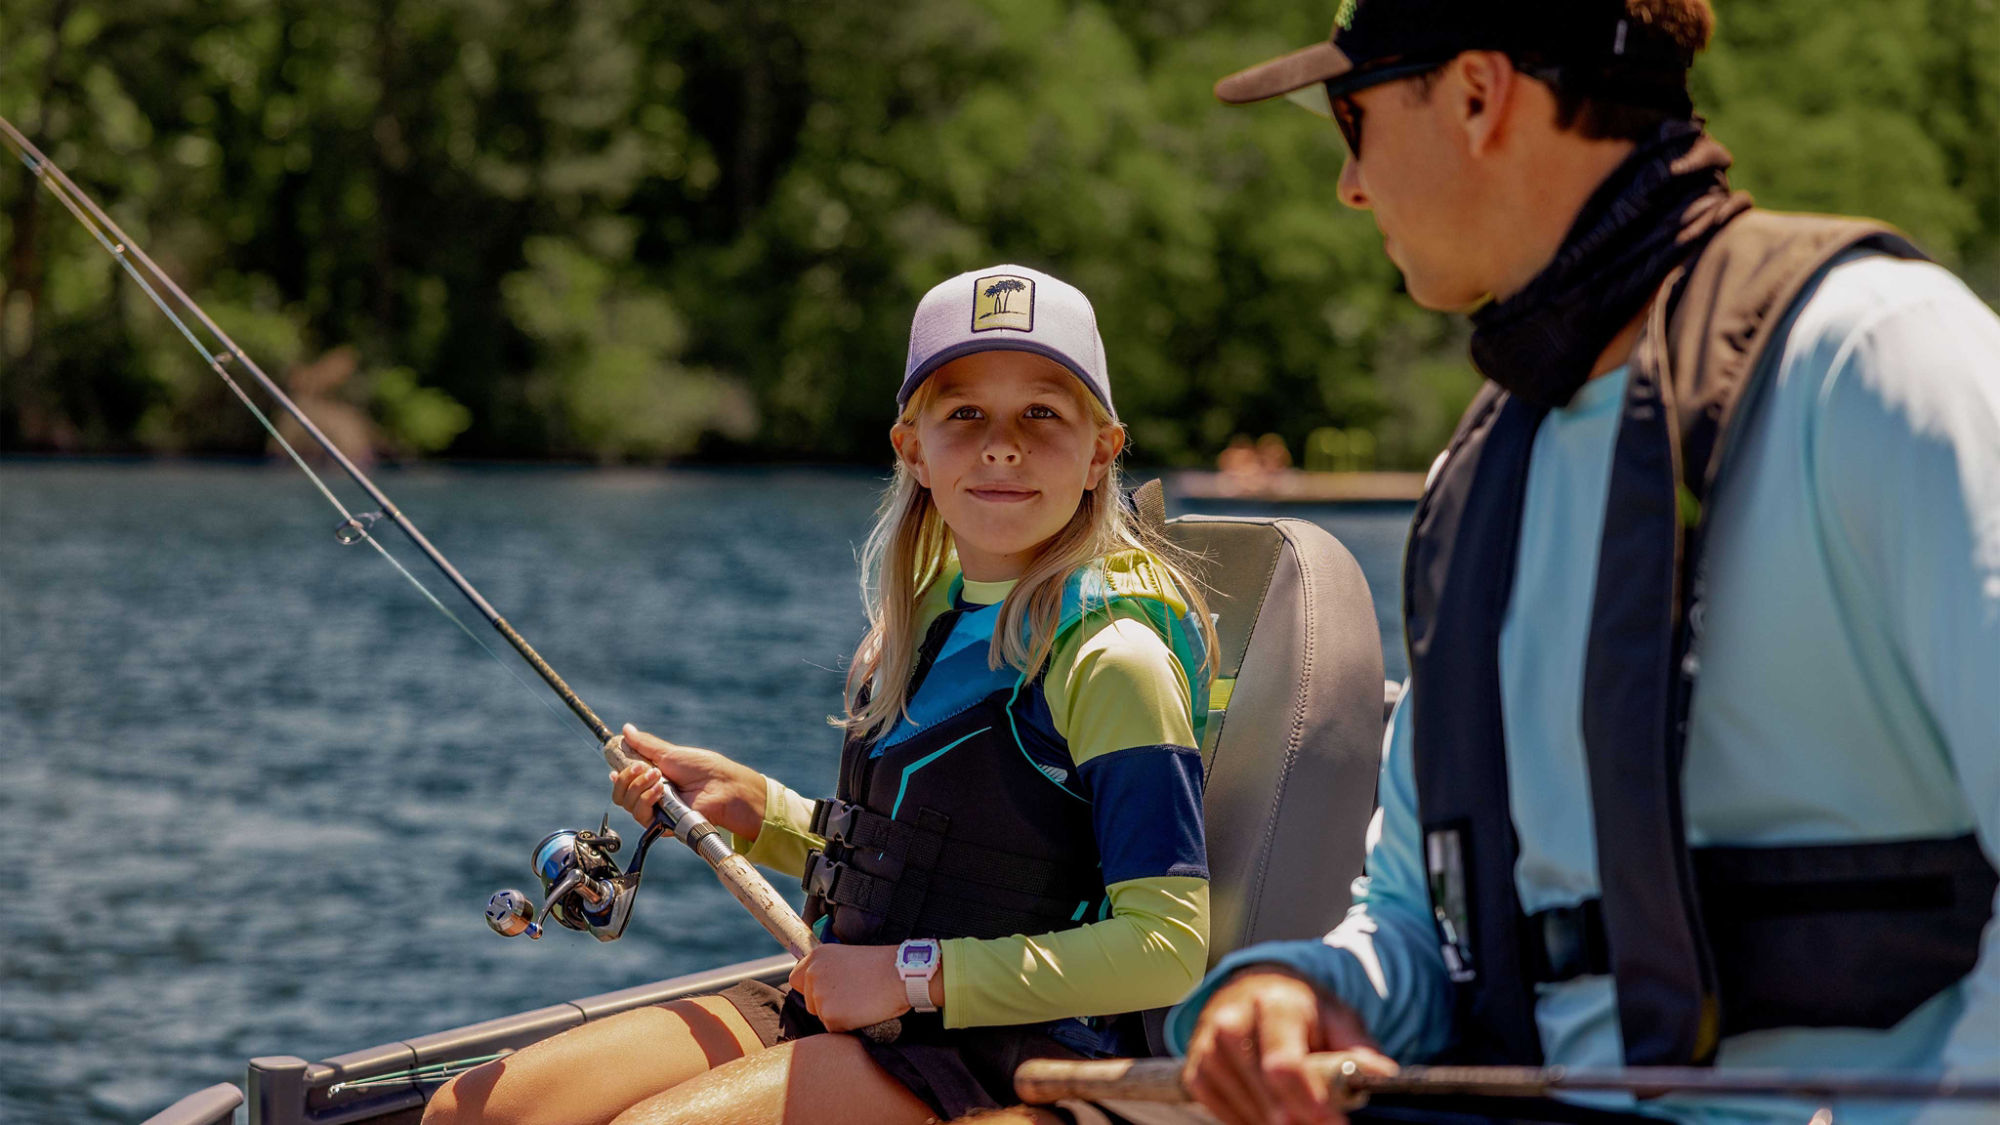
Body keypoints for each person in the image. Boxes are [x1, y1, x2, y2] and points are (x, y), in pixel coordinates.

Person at [1078, 3, 2000, 1125]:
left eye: (1350, 118)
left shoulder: (1873, 357)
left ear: (1475, 94)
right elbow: (1421, 931)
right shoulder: (1473, 480)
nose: (1348, 186)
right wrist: (1301, 991)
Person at [423, 264, 1219, 1125]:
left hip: (1009, 1052)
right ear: (912, 447)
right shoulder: (924, 624)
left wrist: (910, 974)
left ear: (1103, 450)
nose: (1001, 444)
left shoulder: (1113, 657)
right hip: (859, 1006)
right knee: (471, 1113)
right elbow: (928, 867)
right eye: (964, 414)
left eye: (1042, 413)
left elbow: (1167, 945)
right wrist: (758, 809)